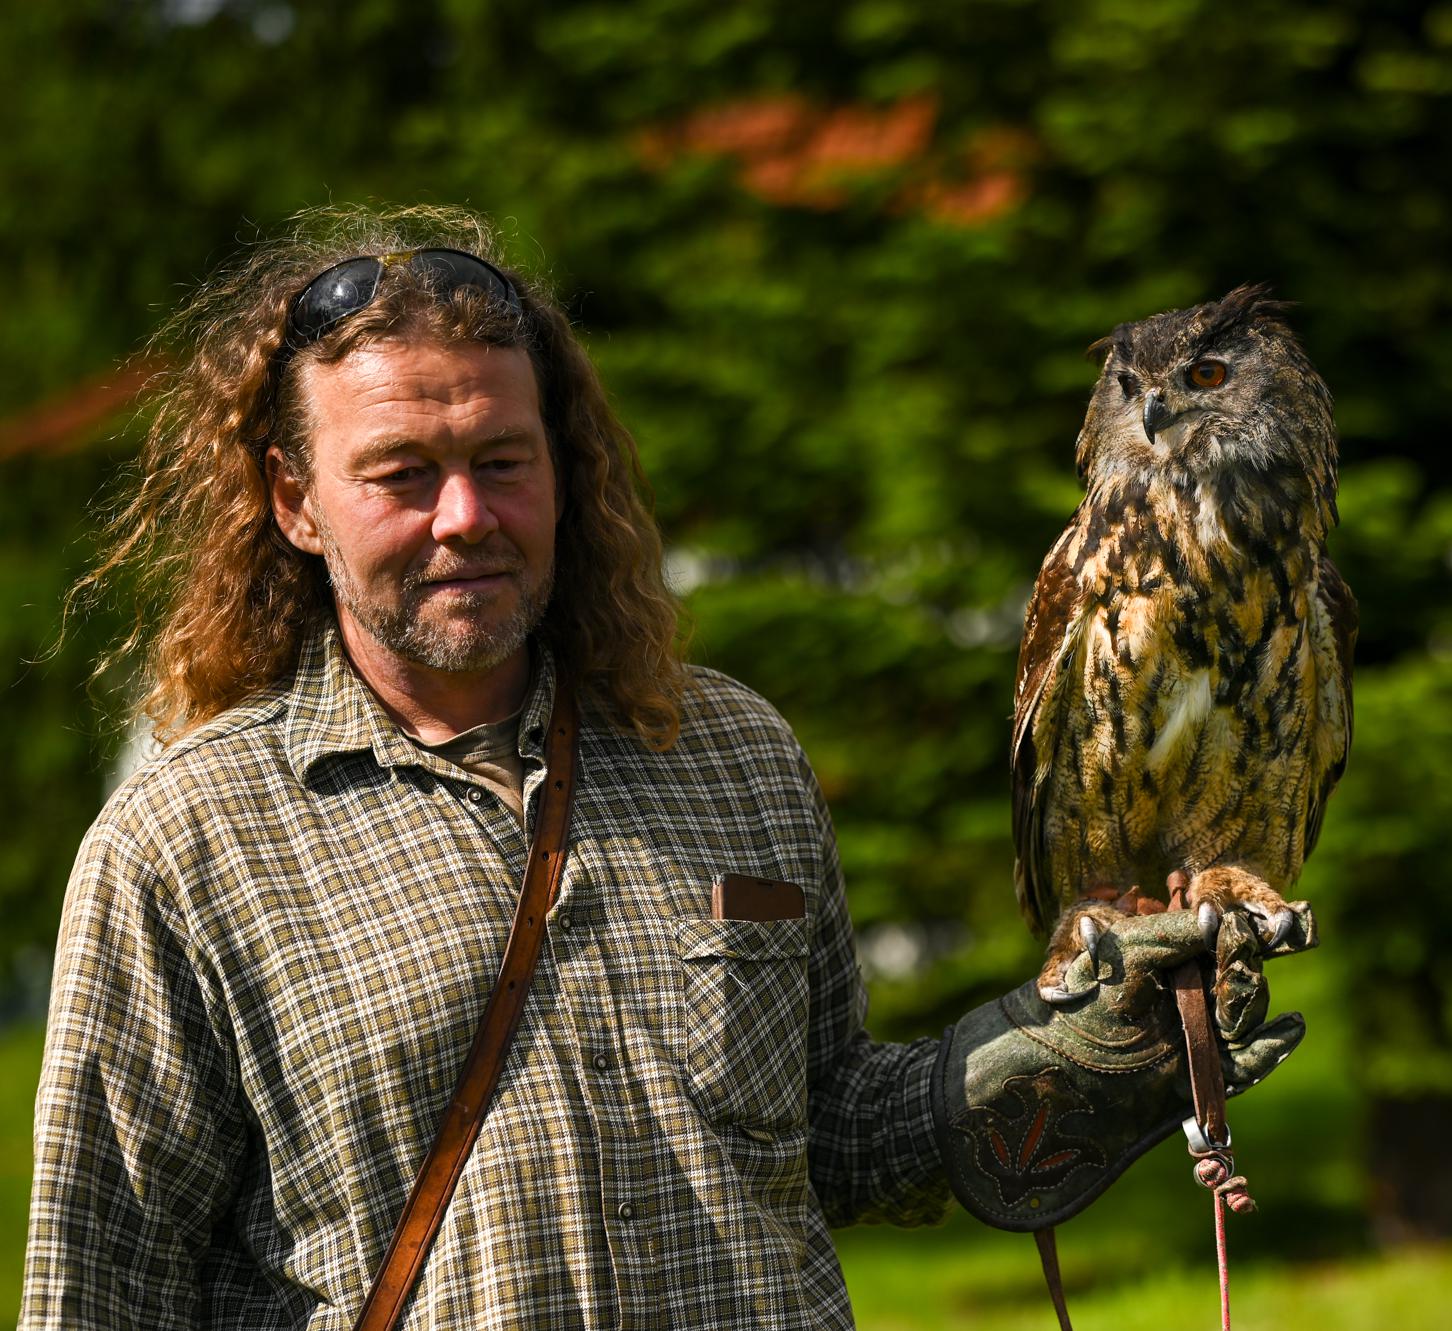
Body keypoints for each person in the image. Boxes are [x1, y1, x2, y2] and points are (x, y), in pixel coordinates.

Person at [21, 204, 1310, 1329]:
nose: (463, 513)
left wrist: (1076, 1047)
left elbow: (840, 1134)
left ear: (563, 473)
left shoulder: (729, 753)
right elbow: (97, 1288)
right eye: (401, 475)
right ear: (296, 500)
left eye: (502, 461)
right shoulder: (183, 846)